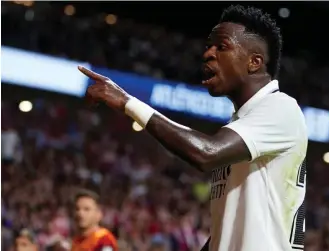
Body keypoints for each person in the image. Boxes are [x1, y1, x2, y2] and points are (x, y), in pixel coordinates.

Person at [78, 4, 307, 251]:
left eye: (221, 46)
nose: (208, 53)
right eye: (209, 45)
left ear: (254, 62)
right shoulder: (242, 124)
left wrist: (127, 102)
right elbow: (226, 231)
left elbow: (206, 152)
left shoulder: (280, 108)